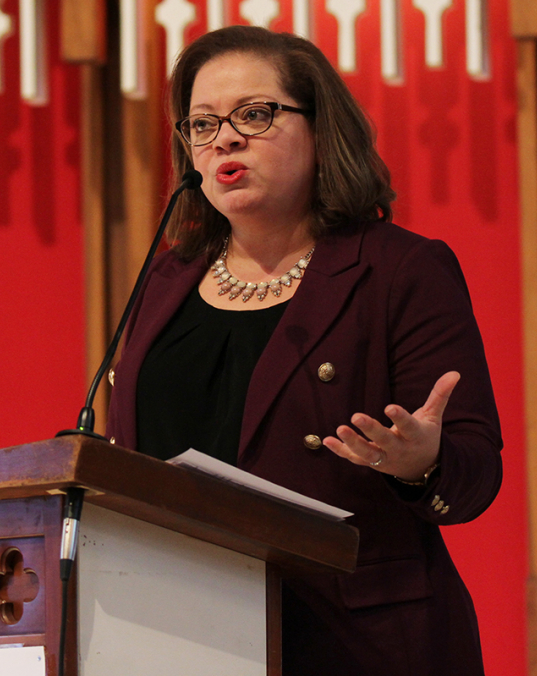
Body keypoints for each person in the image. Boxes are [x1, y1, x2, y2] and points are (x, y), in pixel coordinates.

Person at [105, 26, 502, 676]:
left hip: (355, 644)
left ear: (320, 130)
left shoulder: (399, 270)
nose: (224, 139)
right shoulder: (167, 278)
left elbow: (474, 477)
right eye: (201, 125)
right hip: (181, 636)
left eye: (254, 115)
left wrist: (420, 464)